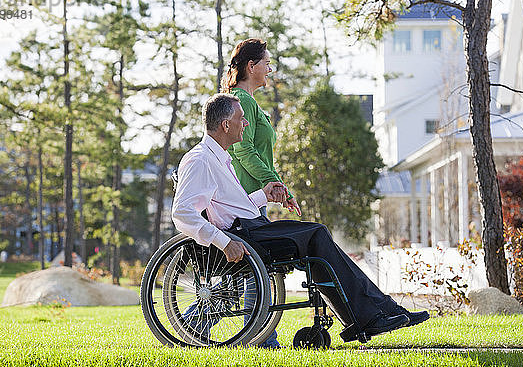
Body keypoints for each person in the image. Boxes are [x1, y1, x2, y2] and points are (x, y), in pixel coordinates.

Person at [172, 93, 429, 345]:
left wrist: (264, 195)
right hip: (245, 235)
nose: (246, 123)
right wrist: (223, 242)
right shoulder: (200, 160)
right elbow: (182, 213)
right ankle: (371, 314)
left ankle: (374, 313)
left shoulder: (218, 158)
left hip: (252, 227)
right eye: (242, 118)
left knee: (317, 237)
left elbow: (232, 207)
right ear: (226, 125)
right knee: (316, 234)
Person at [221, 38, 300, 217]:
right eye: (267, 64)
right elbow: (244, 151)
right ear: (251, 66)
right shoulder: (242, 100)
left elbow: (261, 157)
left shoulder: (245, 100)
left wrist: (282, 189)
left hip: (255, 196)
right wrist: (275, 184)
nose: (269, 70)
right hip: (247, 199)